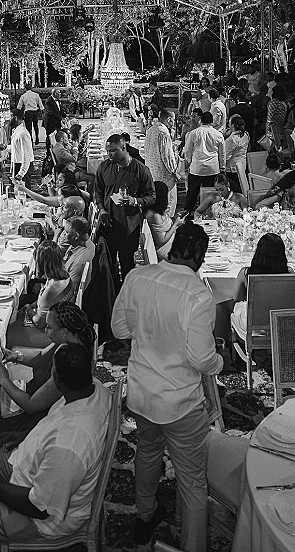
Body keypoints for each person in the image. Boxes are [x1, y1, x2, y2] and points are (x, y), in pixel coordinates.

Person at [111, 220, 223, 551]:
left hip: (143, 395)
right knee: (191, 481)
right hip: (180, 404)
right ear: (200, 259)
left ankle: (145, 515)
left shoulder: (137, 277)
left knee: (147, 451)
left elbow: (119, 329)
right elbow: (202, 360)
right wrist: (219, 361)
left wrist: (148, 330)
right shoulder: (199, 296)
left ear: (172, 249)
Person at [0, 343, 110, 552]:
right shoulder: (95, 389)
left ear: (58, 381)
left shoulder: (68, 448)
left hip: (44, 520)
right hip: (38, 472)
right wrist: (26, 436)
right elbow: (56, 426)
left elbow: (41, 508)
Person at [0, 302, 96, 445]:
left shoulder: (68, 363)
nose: (45, 330)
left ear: (64, 331)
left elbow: (31, 406)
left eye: (49, 327)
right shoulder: (66, 341)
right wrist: (16, 356)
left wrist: (4, 380)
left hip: (33, 418)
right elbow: (40, 358)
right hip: (30, 391)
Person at [94, 134, 156, 281]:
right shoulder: (104, 167)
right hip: (108, 223)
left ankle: (127, 294)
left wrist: (135, 200)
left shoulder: (140, 170)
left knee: (127, 263)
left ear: (123, 148)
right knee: (108, 264)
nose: (109, 154)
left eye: (113, 151)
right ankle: (111, 294)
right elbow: (98, 191)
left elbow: (152, 196)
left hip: (129, 226)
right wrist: (102, 209)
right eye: (107, 150)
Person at [6, 242, 74, 349]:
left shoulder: (50, 290)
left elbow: (39, 322)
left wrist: (28, 309)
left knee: (5, 333)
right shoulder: (65, 277)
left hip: (49, 337)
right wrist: (32, 306)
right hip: (60, 325)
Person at [231, 233, 292, 342]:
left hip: (254, 320)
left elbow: (236, 298)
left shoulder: (246, 273)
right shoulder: (290, 274)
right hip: (280, 321)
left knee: (236, 306)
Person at [183, 111, 226, 215]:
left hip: (196, 167)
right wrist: (222, 167)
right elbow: (222, 153)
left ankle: (187, 214)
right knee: (211, 193)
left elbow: (188, 149)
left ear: (201, 120)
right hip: (212, 168)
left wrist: (188, 161)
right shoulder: (218, 134)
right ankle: (211, 213)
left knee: (192, 193)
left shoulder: (193, 133)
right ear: (211, 121)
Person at [144, 109, 180, 216]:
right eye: (173, 120)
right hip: (164, 175)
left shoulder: (151, 129)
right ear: (169, 120)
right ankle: (167, 227)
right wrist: (175, 172)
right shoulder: (163, 132)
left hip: (152, 173)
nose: (174, 123)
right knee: (169, 204)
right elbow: (167, 157)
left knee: (157, 204)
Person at [143, 181, 184, 260]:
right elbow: (161, 241)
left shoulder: (158, 210)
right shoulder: (155, 216)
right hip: (165, 250)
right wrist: (176, 224)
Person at [61, 217, 95, 295]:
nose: (62, 234)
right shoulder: (79, 244)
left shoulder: (79, 262)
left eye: (66, 232)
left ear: (76, 236)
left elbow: (69, 293)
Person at [8, 109, 35, 189]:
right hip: (17, 164)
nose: (9, 119)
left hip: (23, 166)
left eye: (10, 117)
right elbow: (16, 148)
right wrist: (6, 148)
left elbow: (26, 155)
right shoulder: (16, 131)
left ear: (15, 118)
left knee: (24, 194)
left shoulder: (23, 133)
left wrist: (21, 173)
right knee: (18, 192)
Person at [223, 115, 250, 187]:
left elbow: (226, 154)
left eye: (229, 123)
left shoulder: (233, 138)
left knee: (234, 188)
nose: (228, 125)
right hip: (242, 165)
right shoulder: (246, 134)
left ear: (233, 125)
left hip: (232, 167)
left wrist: (221, 165)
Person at [265, 85, 288, 150]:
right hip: (281, 128)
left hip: (274, 130)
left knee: (272, 149)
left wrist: (267, 130)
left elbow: (270, 118)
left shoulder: (273, 103)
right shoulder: (283, 103)